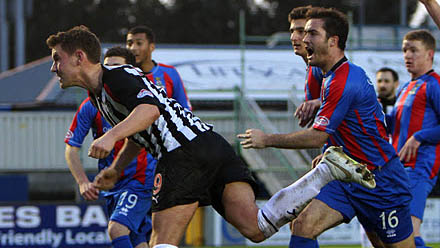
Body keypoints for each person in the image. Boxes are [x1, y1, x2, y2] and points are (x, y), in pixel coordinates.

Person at [47, 25, 375, 248]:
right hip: (209, 145)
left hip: (182, 154)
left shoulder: (113, 77)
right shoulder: (100, 94)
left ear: (79, 57)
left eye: (56, 59)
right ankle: (323, 174)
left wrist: (107, 138)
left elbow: (149, 111)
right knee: (256, 228)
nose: (53, 68)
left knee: (161, 243)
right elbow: (141, 131)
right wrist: (118, 168)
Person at [238, 7, 415, 248]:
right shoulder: (323, 76)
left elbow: (317, 135)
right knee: (302, 225)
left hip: (379, 179)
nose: (301, 38)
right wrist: (328, 151)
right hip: (345, 175)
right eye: (300, 32)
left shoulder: (343, 78)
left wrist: (267, 139)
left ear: (333, 41)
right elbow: (337, 127)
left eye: (310, 33)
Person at [65, 46, 154, 248]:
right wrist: (82, 181)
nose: (111, 71)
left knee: (116, 229)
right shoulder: (91, 105)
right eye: (108, 66)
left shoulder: (139, 101)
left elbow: (144, 137)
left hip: (140, 180)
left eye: (117, 67)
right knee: (137, 240)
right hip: (111, 184)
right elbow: (71, 148)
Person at [388, 29, 440, 248]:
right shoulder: (404, 88)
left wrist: (419, 136)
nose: (407, 55)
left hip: (420, 166)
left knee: (408, 234)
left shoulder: (434, 84)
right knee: (393, 235)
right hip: (398, 168)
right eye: (405, 50)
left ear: (429, 54)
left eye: (414, 50)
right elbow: (391, 125)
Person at [126, 25, 191, 110]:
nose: (133, 48)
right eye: (129, 44)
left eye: (139, 43)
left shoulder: (169, 72)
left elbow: (184, 108)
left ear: (151, 47)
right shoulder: (124, 74)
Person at [288, 6, 324, 127]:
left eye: (301, 31)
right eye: (292, 31)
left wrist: (318, 103)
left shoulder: (322, 66)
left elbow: (345, 98)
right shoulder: (311, 67)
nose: (293, 37)